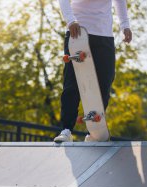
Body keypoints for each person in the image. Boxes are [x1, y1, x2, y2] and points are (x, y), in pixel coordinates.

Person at [54, 0, 132, 143]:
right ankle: (66, 130)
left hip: (104, 34)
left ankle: (94, 132)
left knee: (105, 81)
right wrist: (71, 21)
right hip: (78, 31)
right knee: (73, 82)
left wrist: (125, 25)